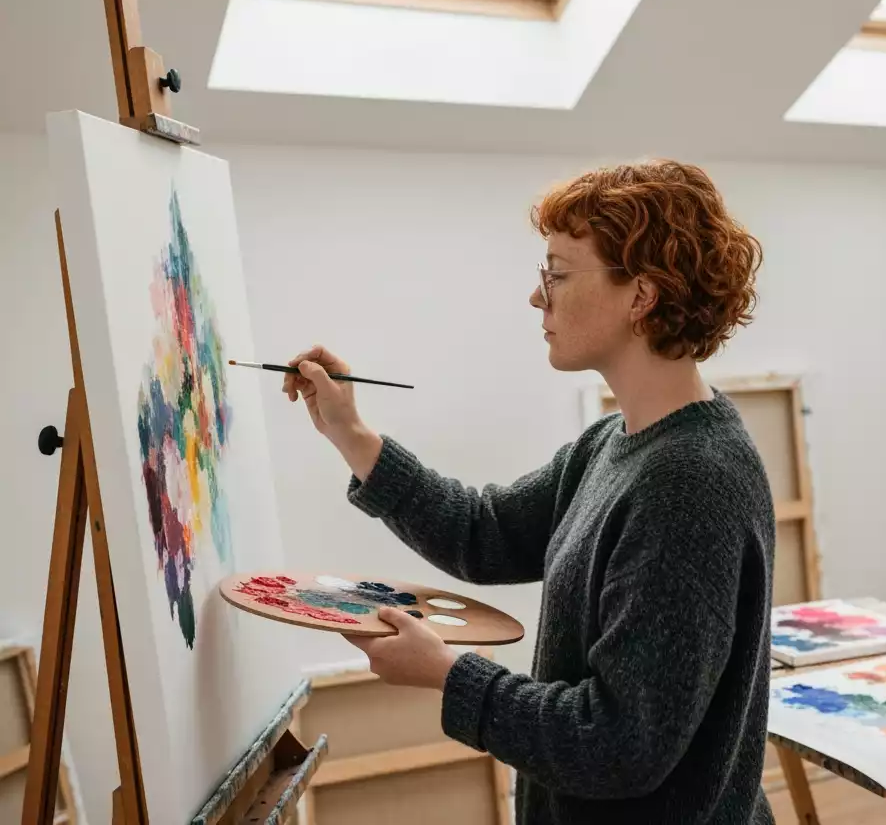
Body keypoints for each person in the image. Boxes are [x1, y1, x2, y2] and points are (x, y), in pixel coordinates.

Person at [283, 159, 775, 824]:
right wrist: (351, 434)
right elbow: (486, 535)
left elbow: (621, 744)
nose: (537, 297)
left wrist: (450, 675)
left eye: (558, 273)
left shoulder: (691, 484)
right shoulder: (612, 444)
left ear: (642, 296)